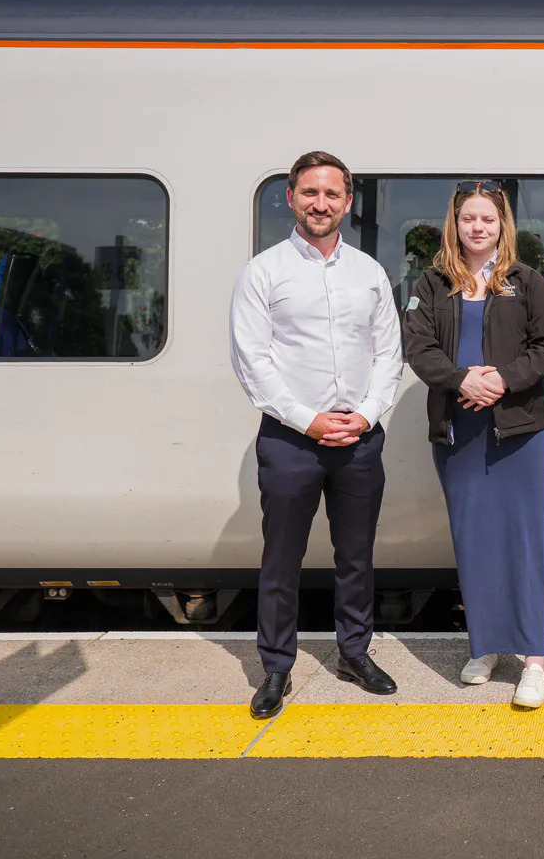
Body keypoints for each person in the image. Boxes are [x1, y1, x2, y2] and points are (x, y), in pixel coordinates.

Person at [229, 151, 403, 720]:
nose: (321, 204)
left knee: (357, 556)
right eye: (310, 193)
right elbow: (252, 360)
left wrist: (369, 413)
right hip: (289, 440)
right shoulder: (264, 272)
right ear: (291, 198)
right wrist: (308, 419)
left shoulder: (369, 272)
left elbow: (388, 354)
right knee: (282, 558)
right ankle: (276, 666)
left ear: (347, 202)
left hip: (359, 436)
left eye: (332, 194)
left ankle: (354, 652)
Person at [402, 180, 544, 709]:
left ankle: (533, 659)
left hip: (517, 431)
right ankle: (487, 647)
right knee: (473, 541)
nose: (478, 227)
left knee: (522, 543)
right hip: (458, 432)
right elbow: (418, 347)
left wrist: (503, 379)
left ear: (502, 226)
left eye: (488, 220)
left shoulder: (528, 280)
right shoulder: (432, 282)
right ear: (455, 224)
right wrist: (459, 379)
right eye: (469, 218)